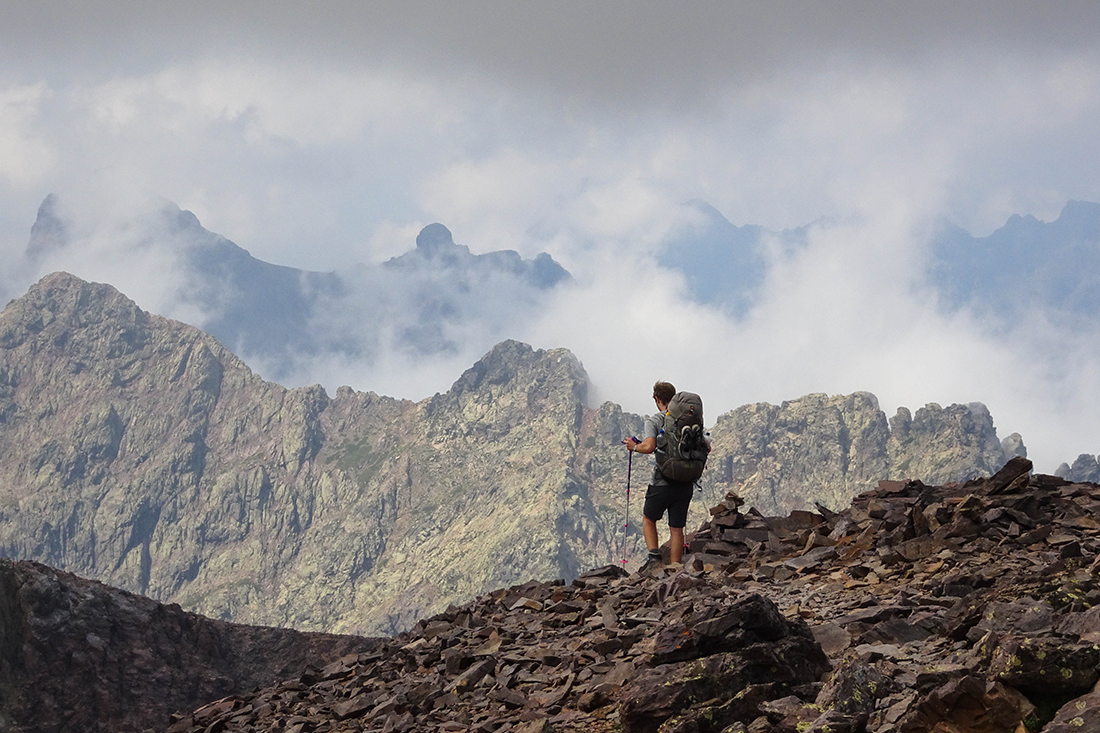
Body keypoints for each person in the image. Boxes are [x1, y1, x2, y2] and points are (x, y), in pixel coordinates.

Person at [623, 381, 694, 567]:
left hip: (662, 481)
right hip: (686, 482)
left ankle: (654, 559)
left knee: (649, 518)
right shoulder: (688, 419)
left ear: (657, 399)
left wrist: (634, 446)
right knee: (677, 528)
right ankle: (675, 569)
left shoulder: (654, 420)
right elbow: (707, 445)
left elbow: (649, 447)